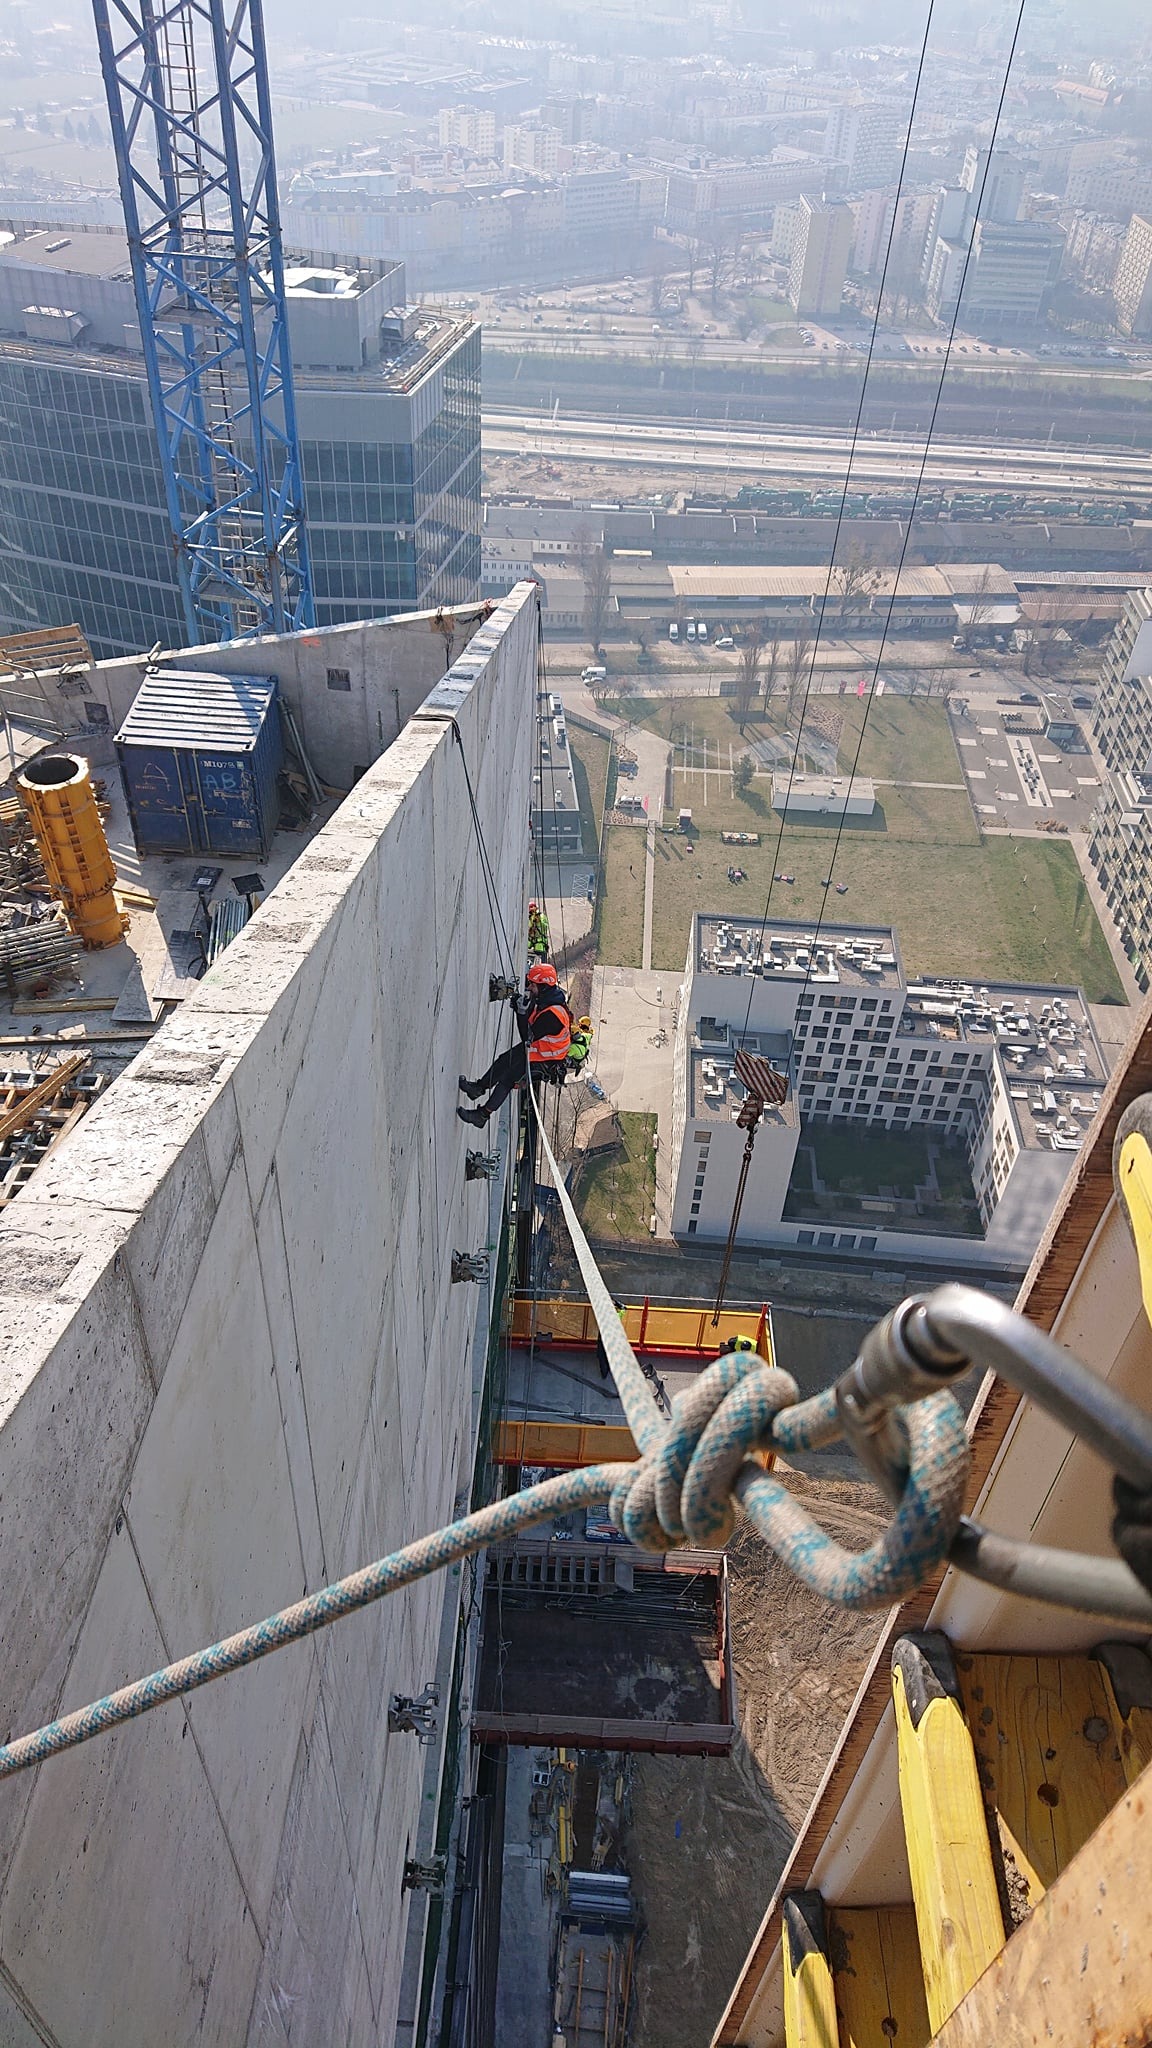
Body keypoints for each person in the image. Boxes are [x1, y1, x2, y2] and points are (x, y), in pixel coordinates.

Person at [457, 963, 571, 1125]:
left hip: (547, 1059)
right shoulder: (548, 998)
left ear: (544, 987)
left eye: (533, 985)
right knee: (504, 1060)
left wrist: (521, 1014)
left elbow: (527, 1038)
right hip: (540, 1049)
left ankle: (482, 1116)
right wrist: (522, 1006)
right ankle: (479, 1088)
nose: (530, 988)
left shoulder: (552, 1016)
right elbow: (532, 1016)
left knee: (508, 1079)